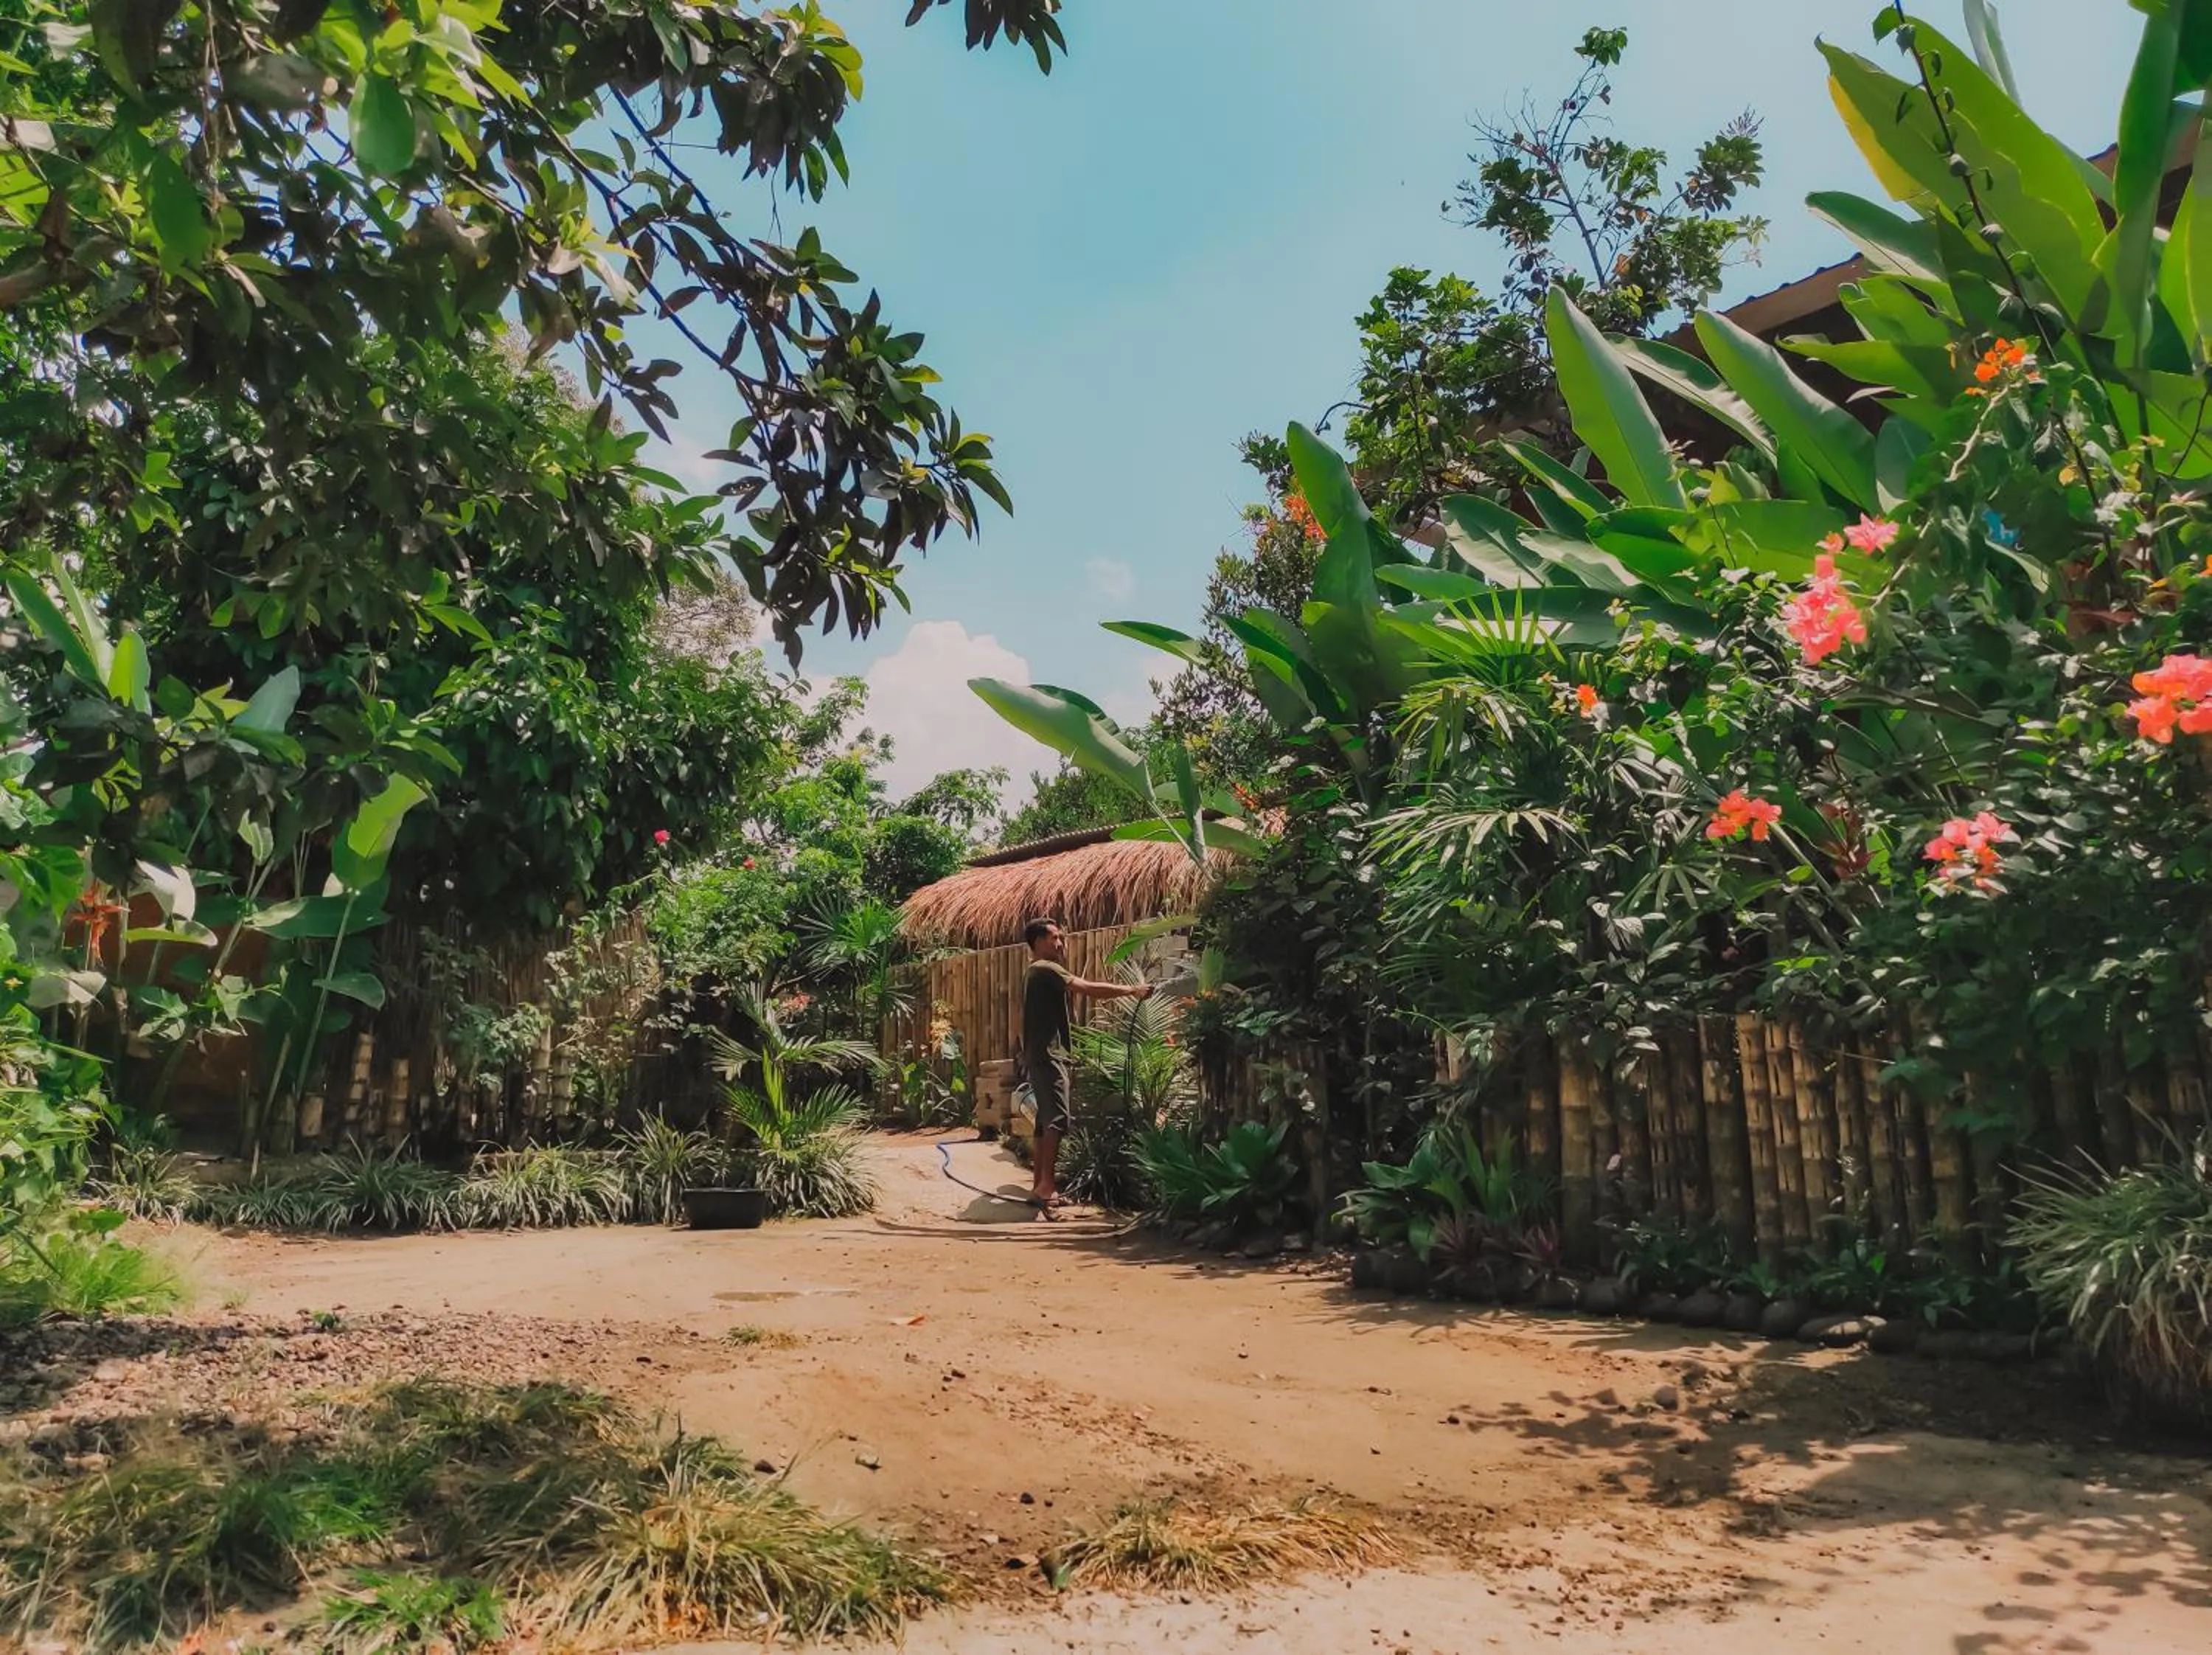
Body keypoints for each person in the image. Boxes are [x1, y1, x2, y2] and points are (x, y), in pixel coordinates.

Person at [1020, 917, 1152, 1217]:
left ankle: (1039, 1186)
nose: (1060, 943)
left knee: (1045, 1120)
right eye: (1054, 938)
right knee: (1058, 1121)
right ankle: (1046, 1189)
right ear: (1038, 942)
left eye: (1060, 938)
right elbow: (1087, 988)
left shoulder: (1033, 972)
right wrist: (1132, 991)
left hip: (1041, 1055)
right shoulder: (1046, 968)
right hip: (1050, 1056)